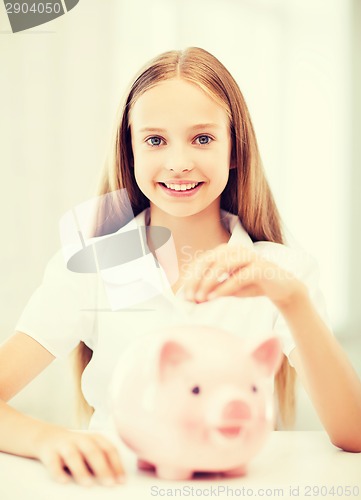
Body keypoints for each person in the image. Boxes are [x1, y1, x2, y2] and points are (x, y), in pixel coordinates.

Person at [0, 47, 360, 487]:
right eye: (155, 140)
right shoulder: (91, 266)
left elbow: (353, 434)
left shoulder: (284, 272)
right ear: (130, 152)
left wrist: (292, 299)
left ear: (234, 149)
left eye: (202, 138)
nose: (178, 162)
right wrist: (45, 439)